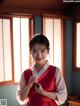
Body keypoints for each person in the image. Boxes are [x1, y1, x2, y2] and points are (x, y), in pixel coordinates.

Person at [16, 34, 67, 106]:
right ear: (30, 52)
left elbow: (63, 96)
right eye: (34, 51)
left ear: (48, 51)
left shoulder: (56, 71)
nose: (39, 55)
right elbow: (21, 98)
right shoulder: (25, 73)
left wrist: (43, 92)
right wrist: (28, 86)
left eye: (42, 51)